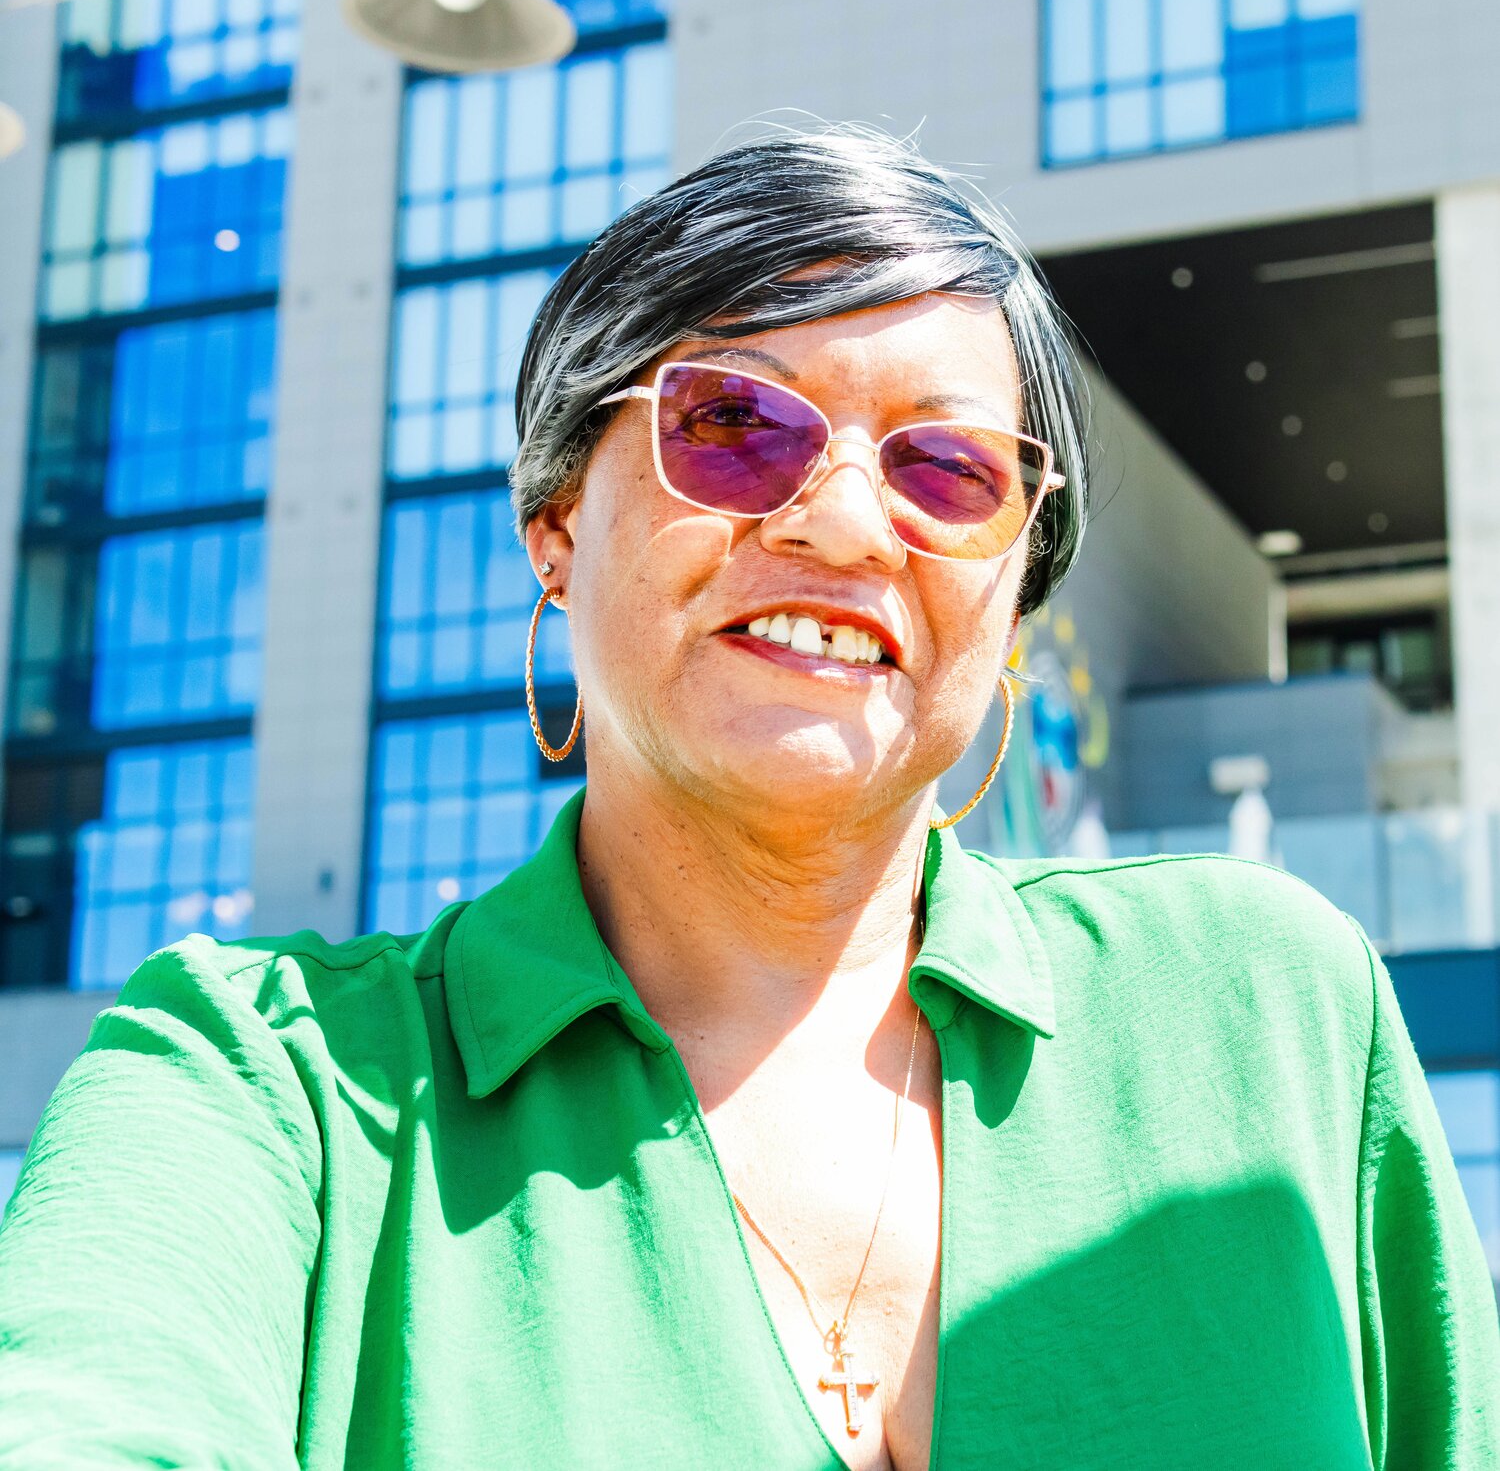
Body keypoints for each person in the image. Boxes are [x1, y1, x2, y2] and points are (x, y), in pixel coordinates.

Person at [1, 127, 1496, 1471]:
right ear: (555, 522)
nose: (844, 526)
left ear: (1015, 594)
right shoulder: (266, 1088)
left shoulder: (1268, 1011)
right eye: (732, 426)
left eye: (950, 470)